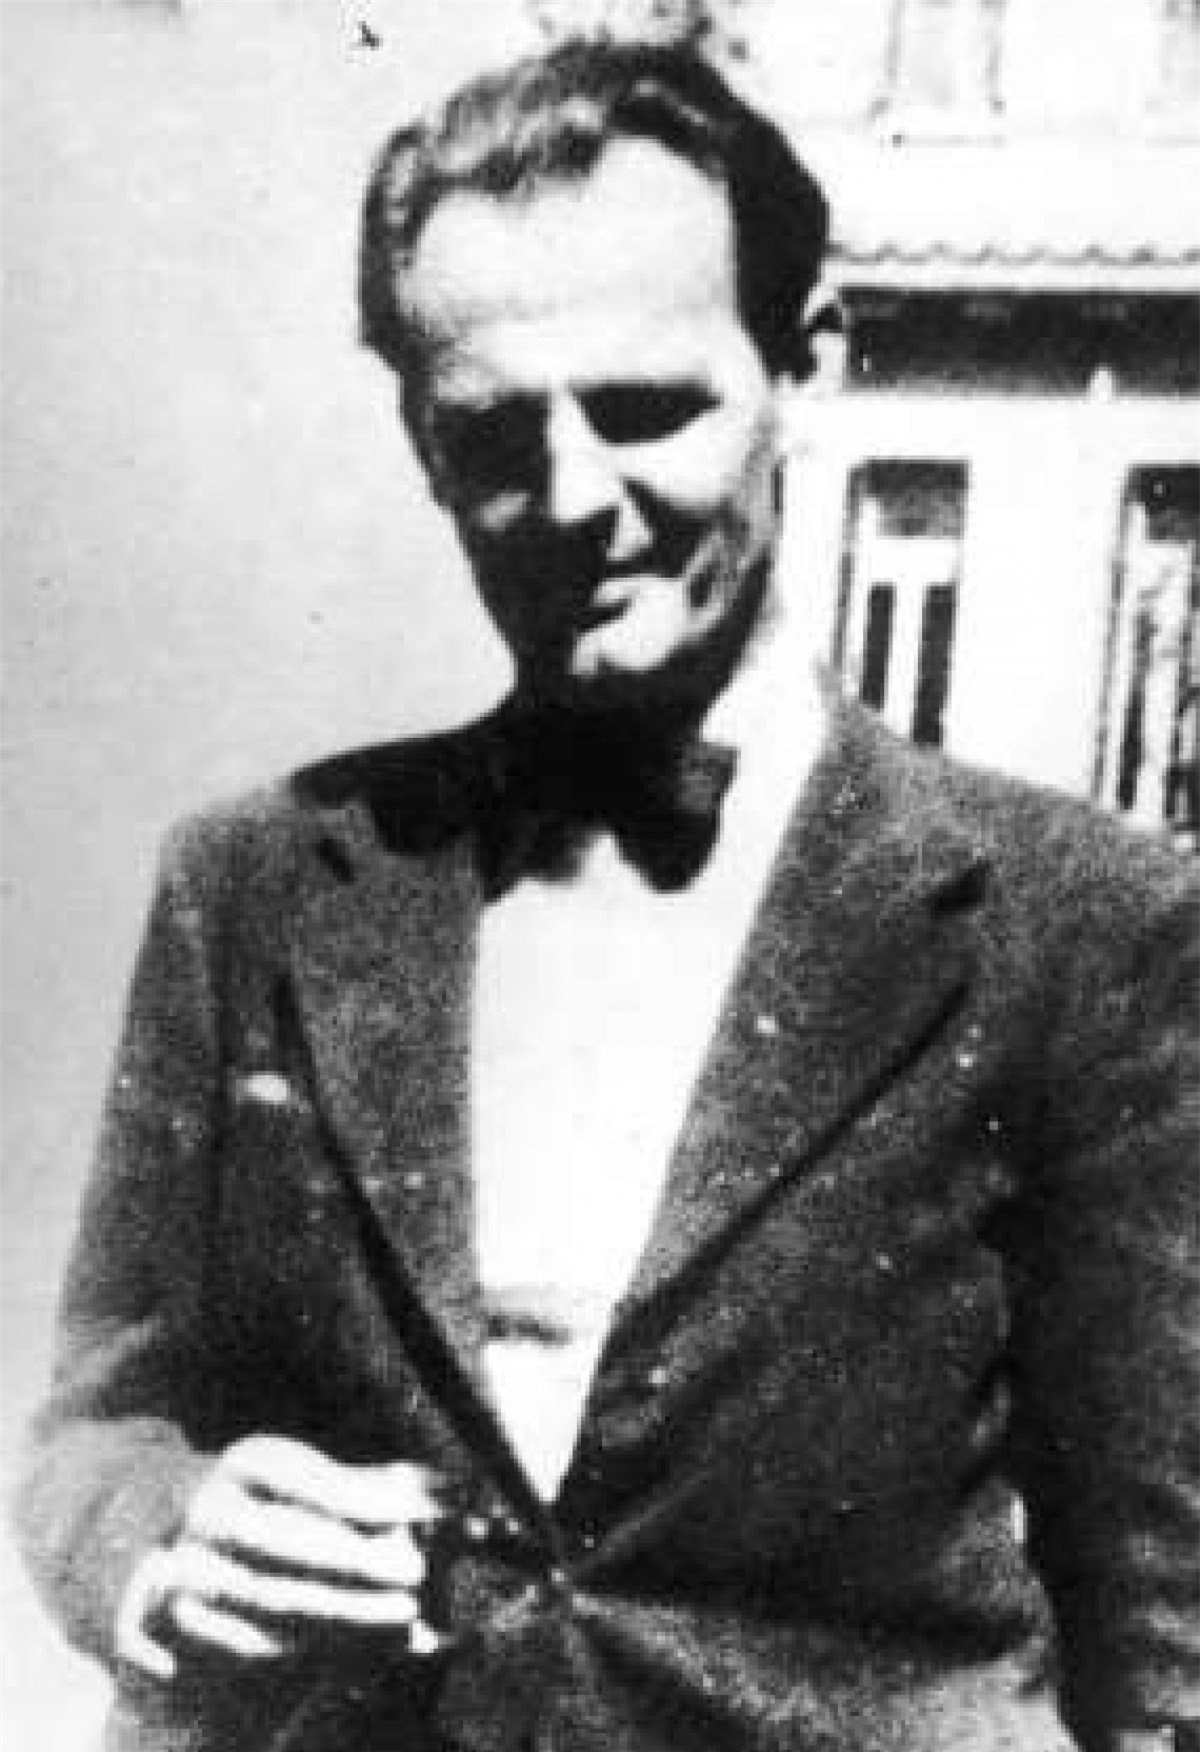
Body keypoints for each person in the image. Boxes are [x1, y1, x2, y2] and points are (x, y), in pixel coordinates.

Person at [14, 36, 1198, 1752]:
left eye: (647, 409)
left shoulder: (1086, 929)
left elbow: (1165, 1635)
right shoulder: (255, 880)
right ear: (422, 443)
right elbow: (92, 1433)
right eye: (493, 431)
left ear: (806, 365)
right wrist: (159, 1533)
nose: (573, 499)